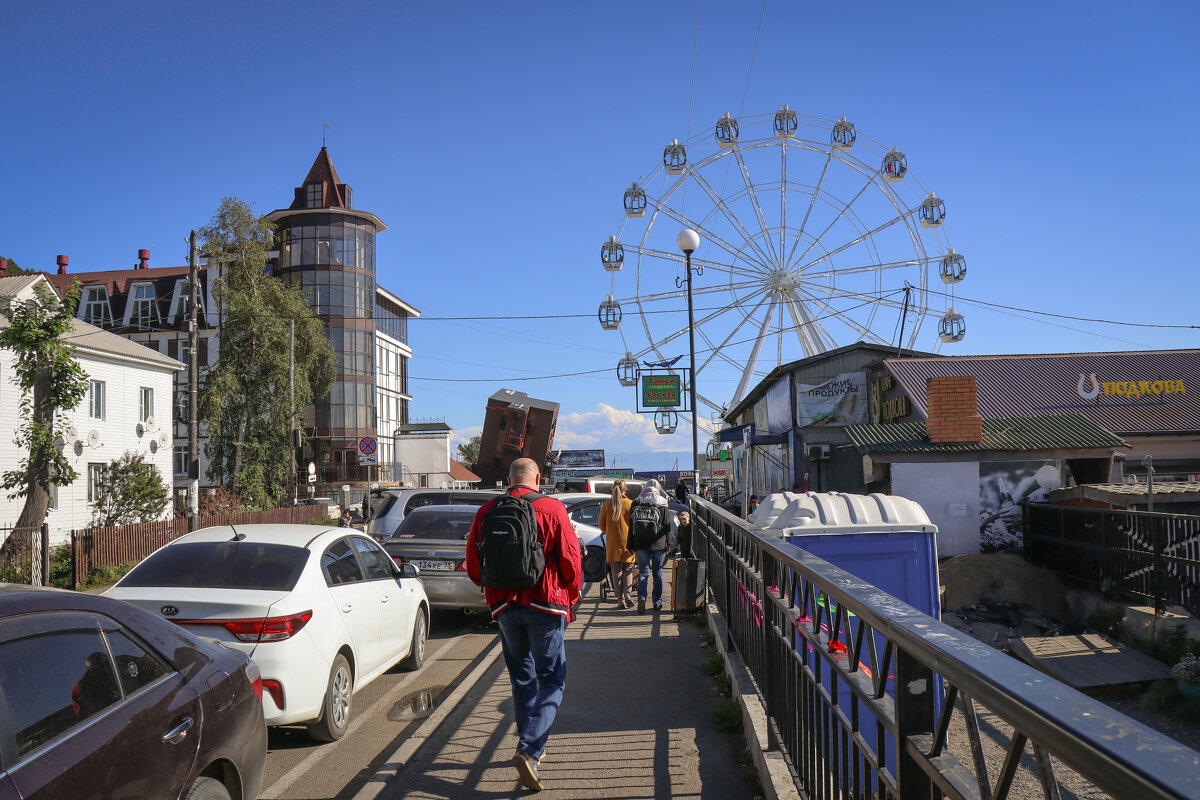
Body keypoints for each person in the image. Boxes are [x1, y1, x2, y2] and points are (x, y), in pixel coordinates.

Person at [466, 458, 581, 792]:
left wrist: (489, 589)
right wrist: (571, 597)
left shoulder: (487, 510)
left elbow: (473, 561)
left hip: (504, 606)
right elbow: (571, 560)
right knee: (553, 680)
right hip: (545, 603)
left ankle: (528, 747)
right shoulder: (553, 509)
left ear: (508, 479)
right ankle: (530, 750)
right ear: (538, 479)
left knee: (521, 679)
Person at [628, 478, 674, 614]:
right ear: (657, 488)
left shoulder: (636, 502)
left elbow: (631, 525)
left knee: (643, 572)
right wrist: (669, 543)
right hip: (659, 543)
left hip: (640, 543)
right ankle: (657, 602)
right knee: (658, 572)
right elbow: (667, 525)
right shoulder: (662, 502)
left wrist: (630, 544)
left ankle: (642, 596)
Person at [598, 479, 635, 608]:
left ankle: (620, 600)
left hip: (612, 543)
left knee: (616, 573)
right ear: (625, 489)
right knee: (629, 570)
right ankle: (629, 593)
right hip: (628, 543)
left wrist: (609, 531)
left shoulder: (607, 504)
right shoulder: (630, 504)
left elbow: (601, 525)